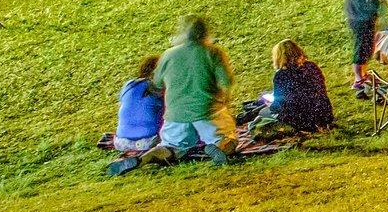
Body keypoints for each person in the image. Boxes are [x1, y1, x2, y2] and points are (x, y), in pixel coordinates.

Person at [143, 16, 235, 166]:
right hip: (208, 111)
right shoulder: (213, 53)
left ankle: (142, 159)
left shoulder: (168, 54)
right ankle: (218, 147)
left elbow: (157, 84)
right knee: (228, 138)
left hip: (176, 115)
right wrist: (225, 103)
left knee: (169, 147)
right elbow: (226, 83)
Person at [250, 39, 334, 137]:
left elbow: (279, 104)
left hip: (300, 119)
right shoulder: (312, 66)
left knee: (263, 112)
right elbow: (320, 88)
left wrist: (270, 104)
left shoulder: (281, 75)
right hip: (323, 113)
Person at [106, 57, 164, 173]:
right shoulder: (159, 88)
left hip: (120, 141)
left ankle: (128, 155)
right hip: (147, 141)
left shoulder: (129, 85)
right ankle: (143, 156)